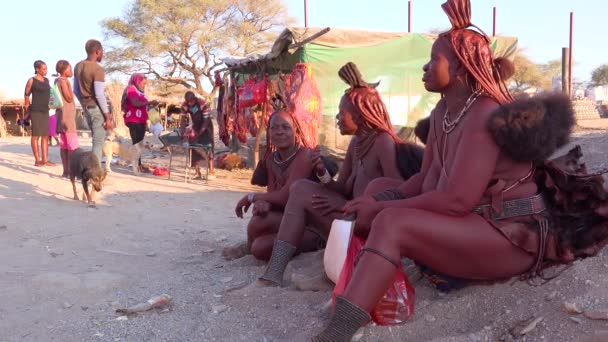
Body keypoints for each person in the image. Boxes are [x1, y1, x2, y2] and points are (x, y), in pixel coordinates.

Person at [312, 1, 608, 340]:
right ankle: (362, 294)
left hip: (509, 236)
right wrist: (379, 197)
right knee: (379, 189)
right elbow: (425, 181)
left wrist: (382, 208)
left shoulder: (484, 113)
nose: (424, 68)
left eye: (433, 60)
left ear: (459, 66)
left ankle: (337, 332)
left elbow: (456, 201)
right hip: (471, 228)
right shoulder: (443, 113)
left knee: (391, 221)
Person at [257, 62, 418, 286]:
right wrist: (322, 174)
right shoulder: (356, 144)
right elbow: (342, 188)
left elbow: (394, 191)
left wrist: (352, 208)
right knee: (300, 187)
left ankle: (301, 257)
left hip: (366, 223)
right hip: (348, 214)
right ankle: (275, 270)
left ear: (360, 115)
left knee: (298, 193)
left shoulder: (382, 142)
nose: (338, 119)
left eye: (342, 114)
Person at [227, 109, 324, 261]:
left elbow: (286, 196)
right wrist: (263, 203)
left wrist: (251, 197)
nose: (279, 132)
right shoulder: (271, 160)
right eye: (274, 128)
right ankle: (250, 247)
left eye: (286, 127)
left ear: (296, 132)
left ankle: (313, 244)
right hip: (288, 218)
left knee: (259, 247)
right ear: (269, 132)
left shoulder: (304, 155)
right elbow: (274, 195)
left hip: (310, 225)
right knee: (257, 223)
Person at [74, 39, 113, 166]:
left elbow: (76, 90)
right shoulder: (97, 69)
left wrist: (84, 103)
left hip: (86, 107)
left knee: (96, 140)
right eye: (102, 52)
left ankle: (94, 170)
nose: (102, 55)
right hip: (96, 109)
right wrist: (107, 116)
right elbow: (99, 94)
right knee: (98, 142)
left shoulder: (78, 66)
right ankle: (94, 173)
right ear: (98, 51)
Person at [121, 73, 158, 172]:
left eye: (145, 83)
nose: (144, 85)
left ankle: (138, 165)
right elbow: (135, 103)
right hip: (133, 119)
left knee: (139, 144)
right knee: (137, 143)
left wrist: (152, 106)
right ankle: (137, 166)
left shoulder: (141, 91)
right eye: (143, 83)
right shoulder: (132, 88)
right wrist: (149, 102)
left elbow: (143, 106)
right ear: (137, 81)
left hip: (141, 120)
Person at [24, 60, 55, 167]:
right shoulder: (31, 80)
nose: (46, 70)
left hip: (45, 111)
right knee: (36, 135)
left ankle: (45, 160)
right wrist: (27, 108)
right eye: (44, 68)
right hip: (35, 111)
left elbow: (50, 95)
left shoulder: (46, 80)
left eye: (46, 68)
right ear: (37, 69)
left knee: (45, 136)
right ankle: (37, 160)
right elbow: (26, 95)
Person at [180, 91, 215, 180]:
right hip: (196, 125)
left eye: (191, 101)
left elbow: (206, 119)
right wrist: (182, 132)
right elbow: (183, 120)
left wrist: (200, 132)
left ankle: (211, 171)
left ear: (194, 98)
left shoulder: (201, 103)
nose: (190, 103)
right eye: (188, 101)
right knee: (192, 147)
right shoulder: (185, 105)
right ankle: (197, 172)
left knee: (209, 146)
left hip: (206, 126)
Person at [54, 60, 79, 178]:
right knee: (71, 147)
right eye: (69, 68)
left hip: (60, 117)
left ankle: (65, 171)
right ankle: (71, 171)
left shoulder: (57, 80)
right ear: (64, 70)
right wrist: (72, 89)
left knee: (64, 146)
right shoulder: (63, 81)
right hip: (67, 118)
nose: (71, 70)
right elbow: (69, 98)